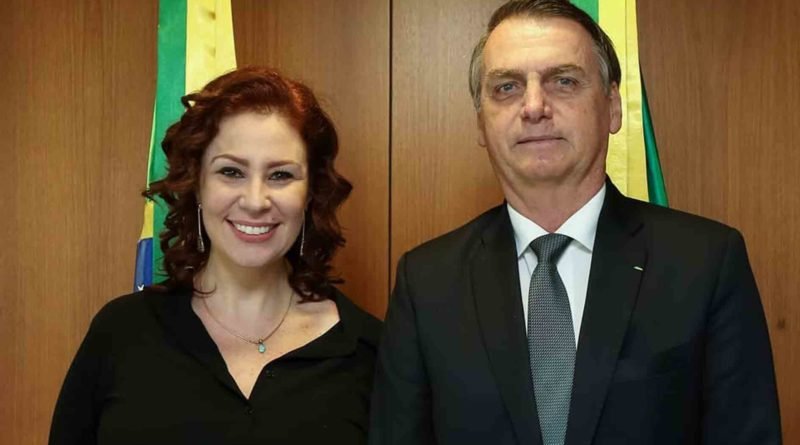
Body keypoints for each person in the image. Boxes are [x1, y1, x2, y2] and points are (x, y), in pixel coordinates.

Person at [369, 1, 781, 444]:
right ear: (481, 123)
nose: (533, 106)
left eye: (563, 81)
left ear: (613, 107)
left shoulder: (706, 263)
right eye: (507, 87)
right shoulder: (427, 282)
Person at [50, 66, 381, 444]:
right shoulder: (120, 334)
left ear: (310, 194)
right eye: (231, 172)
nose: (255, 201)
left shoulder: (369, 352)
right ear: (197, 184)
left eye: (280, 175)